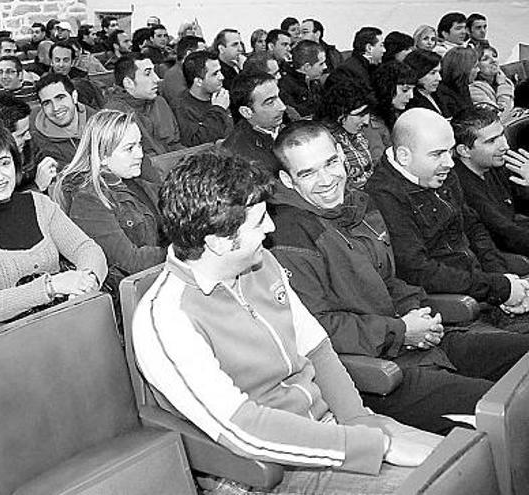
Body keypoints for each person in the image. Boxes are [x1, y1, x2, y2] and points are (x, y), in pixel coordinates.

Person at [132, 149, 440, 495]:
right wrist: (374, 447)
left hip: (336, 431)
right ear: (217, 242)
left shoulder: (261, 264)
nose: (272, 227)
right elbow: (245, 429)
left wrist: (360, 422)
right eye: (259, 220)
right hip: (271, 470)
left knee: (465, 460)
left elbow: (316, 347)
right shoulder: (168, 318)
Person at [269, 120, 529, 434]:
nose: (326, 180)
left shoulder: (359, 205)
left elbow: (388, 280)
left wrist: (422, 316)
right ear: (287, 179)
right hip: (380, 372)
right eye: (308, 173)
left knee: (521, 359)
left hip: (420, 339)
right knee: (508, 409)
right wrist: (401, 330)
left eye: (331, 163)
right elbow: (318, 328)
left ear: (341, 155)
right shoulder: (287, 237)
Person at [365, 108, 529, 333]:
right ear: (404, 156)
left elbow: (473, 228)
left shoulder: (440, 171)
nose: (450, 163)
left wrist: (502, 279)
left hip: (482, 286)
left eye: (450, 151)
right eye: (437, 154)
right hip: (453, 312)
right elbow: (417, 270)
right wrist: (498, 288)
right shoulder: (383, 196)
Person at [0, 121, 107, 325]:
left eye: (5, 163)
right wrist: (50, 287)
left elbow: (86, 248)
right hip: (16, 338)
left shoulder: (39, 203)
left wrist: (87, 280)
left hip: (68, 319)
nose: (0, 176)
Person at [54, 110, 165, 289]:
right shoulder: (88, 200)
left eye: (139, 145)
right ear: (103, 156)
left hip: (157, 279)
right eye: (129, 148)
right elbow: (130, 261)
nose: (140, 154)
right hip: (132, 293)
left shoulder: (134, 181)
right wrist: (183, 253)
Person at [452, 106, 529, 256]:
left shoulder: (494, 165)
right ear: (464, 150)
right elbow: (505, 234)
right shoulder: (461, 186)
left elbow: (523, 205)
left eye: (502, 135)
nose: (505, 146)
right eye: (492, 141)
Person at [105, 53, 182, 158]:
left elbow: (174, 143)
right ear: (128, 83)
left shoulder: (159, 102)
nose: (157, 79)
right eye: (147, 74)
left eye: (154, 72)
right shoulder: (114, 113)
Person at [0, 93, 57, 192]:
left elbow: (45, 166)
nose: (28, 136)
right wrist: (37, 187)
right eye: (21, 134)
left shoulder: (27, 145)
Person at [221, 72, 287, 174]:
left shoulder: (284, 125)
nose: (282, 107)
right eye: (270, 102)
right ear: (246, 112)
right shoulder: (239, 159)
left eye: (279, 96)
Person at [317, 78, 375, 187]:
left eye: (368, 114)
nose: (366, 122)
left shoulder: (353, 132)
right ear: (340, 113)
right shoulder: (326, 143)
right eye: (360, 115)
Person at [31, 73, 96, 168]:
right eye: (47, 103)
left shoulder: (99, 125)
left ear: (74, 96)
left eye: (60, 98)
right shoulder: (35, 134)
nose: (55, 108)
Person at [172, 50, 233, 146]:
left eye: (220, 71)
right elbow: (196, 143)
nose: (222, 77)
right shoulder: (182, 108)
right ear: (198, 81)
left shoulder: (220, 96)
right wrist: (218, 110)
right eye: (215, 74)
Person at [365, 61, 417, 163]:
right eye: (405, 90)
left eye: (412, 90)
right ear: (387, 88)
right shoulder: (369, 122)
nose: (411, 96)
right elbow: (379, 162)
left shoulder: (395, 112)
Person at [48, 41, 104, 109]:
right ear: (51, 62)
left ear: (72, 62)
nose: (61, 65)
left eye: (66, 60)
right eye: (57, 60)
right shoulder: (44, 83)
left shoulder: (83, 78)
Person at [277, 40, 326, 119]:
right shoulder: (285, 86)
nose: (325, 67)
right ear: (307, 67)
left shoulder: (314, 80)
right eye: (321, 64)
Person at [329, 27, 385, 93]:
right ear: (369, 48)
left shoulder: (372, 67)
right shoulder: (347, 72)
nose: (384, 50)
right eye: (381, 45)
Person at [158, 35, 204, 106]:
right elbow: (182, 106)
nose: (206, 57)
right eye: (202, 53)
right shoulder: (174, 75)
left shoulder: (188, 72)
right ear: (189, 53)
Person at [471, 45, 515, 116]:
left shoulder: (507, 81)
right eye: (485, 59)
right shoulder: (474, 89)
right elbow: (499, 116)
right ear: (476, 66)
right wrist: (502, 86)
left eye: (494, 56)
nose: (493, 60)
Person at [437, 46, 478, 118]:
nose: (478, 70)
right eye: (475, 67)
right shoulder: (444, 95)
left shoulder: (463, 87)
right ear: (463, 69)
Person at [404, 49, 444, 113]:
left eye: (439, 72)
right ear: (418, 72)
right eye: (433, 73)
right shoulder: (411, 102)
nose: (439, 78)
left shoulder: (439, 93)